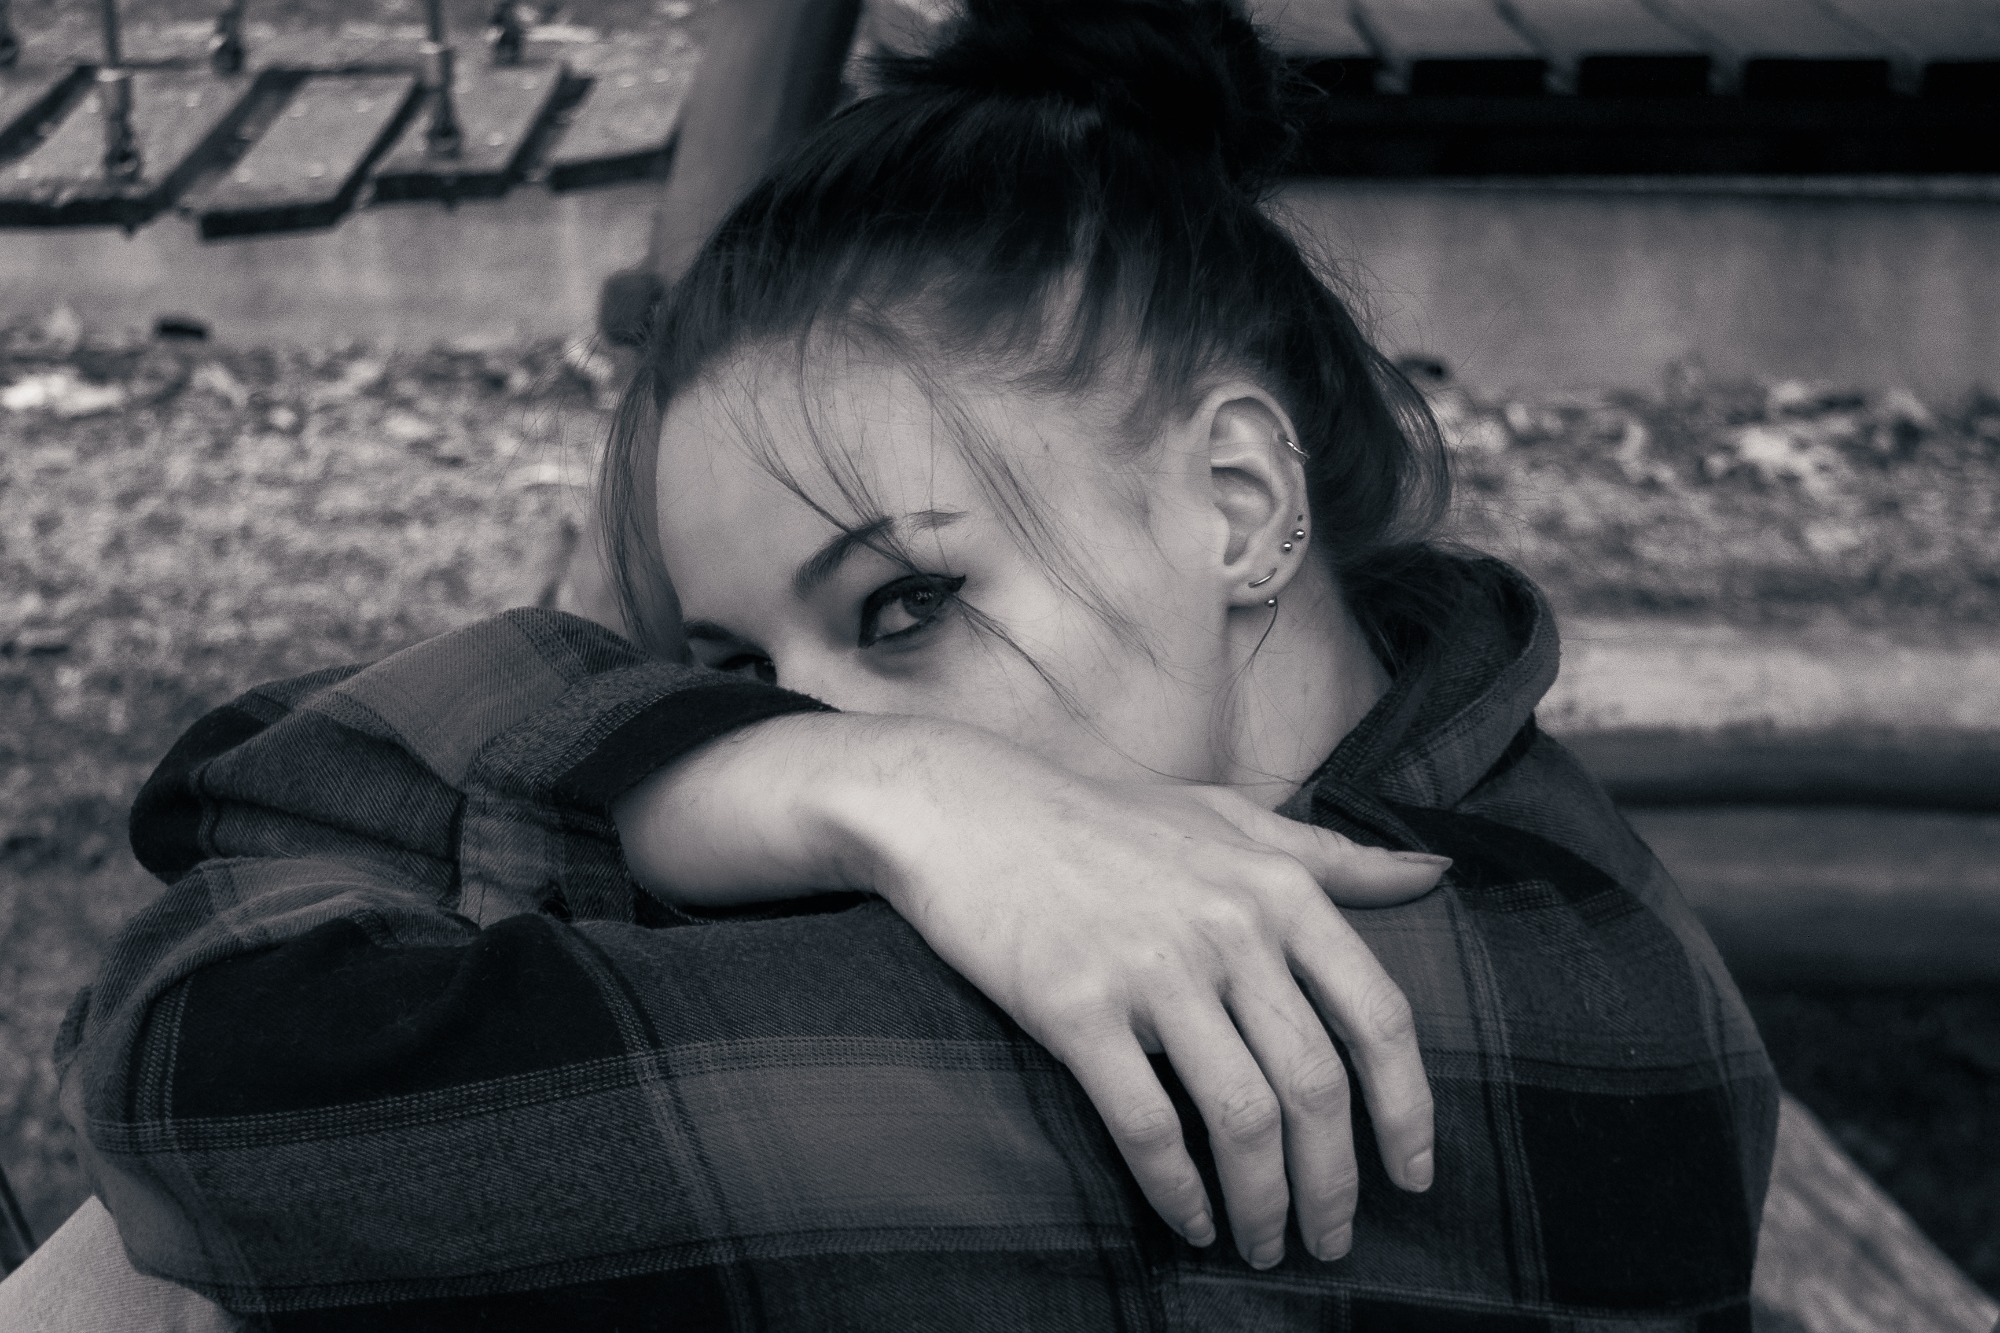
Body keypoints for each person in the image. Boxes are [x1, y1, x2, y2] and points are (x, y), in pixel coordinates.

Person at [36, 0, 1778, 1327]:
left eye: (901, 607)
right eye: (734, 668)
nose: (813, 719)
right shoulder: (1496, 806)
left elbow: (211, 1072)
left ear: (1238, 505)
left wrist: (723, 772)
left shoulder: (1355, 1011)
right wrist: (842, 773)